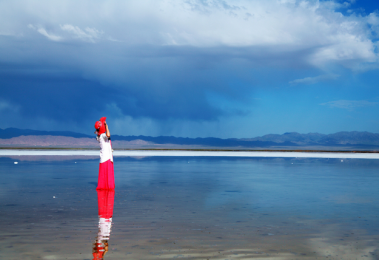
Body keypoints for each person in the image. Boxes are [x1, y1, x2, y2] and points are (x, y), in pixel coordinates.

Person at [94, 117, 115, 190]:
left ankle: (104, 185)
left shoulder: (99, 136)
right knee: (107, 171)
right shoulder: (102, 135)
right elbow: (108, 135)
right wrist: (107, 127)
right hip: (106, 156)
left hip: (104, 155)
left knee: (104, 173)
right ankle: (107, 186)